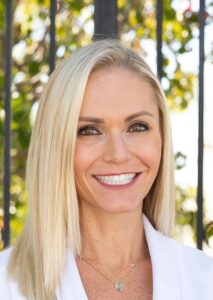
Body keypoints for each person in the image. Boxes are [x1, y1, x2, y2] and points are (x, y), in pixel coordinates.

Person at [0, 39, 213, 300]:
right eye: (89, 130)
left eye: (137, 127)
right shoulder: (6, 284)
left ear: (162, 137)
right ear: (56, 146)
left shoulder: (204, 280)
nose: (118, 154)